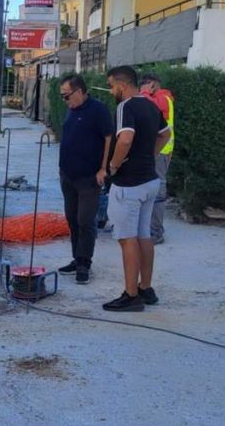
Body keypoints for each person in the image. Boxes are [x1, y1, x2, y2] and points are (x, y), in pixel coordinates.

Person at [103, 66, 171, 312]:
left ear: (122, 85)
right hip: (150, 180)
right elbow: (166, 134)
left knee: (126, 238)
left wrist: (114, 165)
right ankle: (146, 287)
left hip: (129, 183)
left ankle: (131, 295)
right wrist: (149, 156)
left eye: (112, 86)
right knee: (144, 234)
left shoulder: (126, 107)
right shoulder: (152, 106)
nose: (112, 91)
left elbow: (126, 138)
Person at [56, 74, 113, 285]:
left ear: (79, 91)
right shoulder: (72, 110)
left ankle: (84, 263)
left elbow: (108, 138)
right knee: (71, 218)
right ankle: (76, 257)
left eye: (67, 96)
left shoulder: (98, 110)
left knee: (85, 220)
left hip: (89, 177)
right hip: (68, 175)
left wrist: (103, 168)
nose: (65, 100)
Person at [140, 72, 175, 244]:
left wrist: (144, 93)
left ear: (153, 84)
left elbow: (151, 109)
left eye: (146, 85)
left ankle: (156, 233)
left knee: (158, 192)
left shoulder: (162, 98)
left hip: (161, 151)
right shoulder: (162, 98)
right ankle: (151, 230)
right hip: (159, 150)